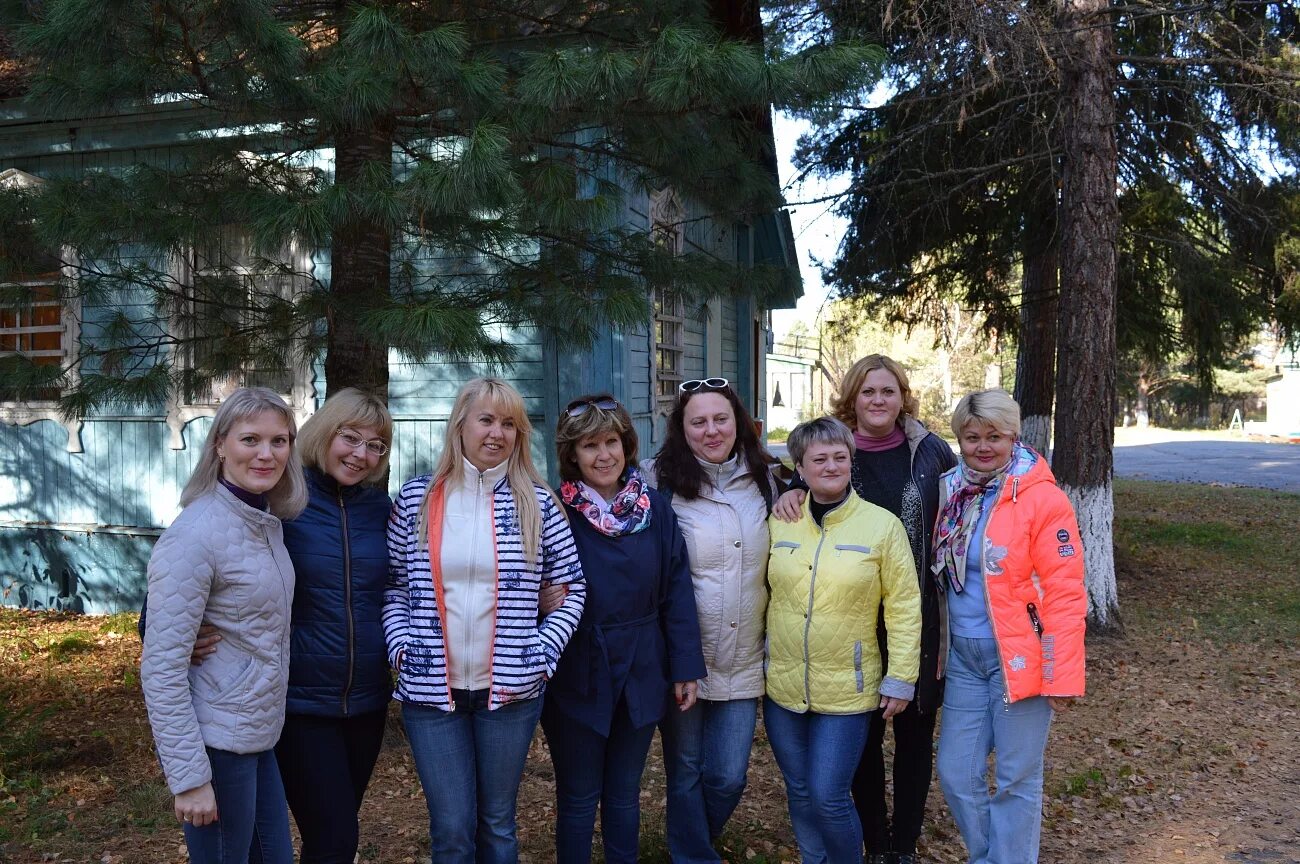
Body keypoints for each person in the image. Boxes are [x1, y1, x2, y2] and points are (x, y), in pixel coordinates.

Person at [383, 377, 586, 864]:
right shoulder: (417, 500)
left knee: (497, 825)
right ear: (461, 425)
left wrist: (540, 653)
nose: (497, 433)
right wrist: (401, 648)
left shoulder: (537, 503)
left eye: (510, 424)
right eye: (487, 420)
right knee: (452, 829)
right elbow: (393, 585)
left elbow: (573, 587)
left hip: (511, 694)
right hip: (433, 694)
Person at [774, 355, 955, 864]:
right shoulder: (831, 448)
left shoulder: (929, 451)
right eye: (868, 391)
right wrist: (786, 497)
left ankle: (903, 845)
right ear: (851, 397)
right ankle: (874, 841)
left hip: (914, 610)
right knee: (861, 741)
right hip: (846, 617)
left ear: (902, 397)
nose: (878, 400)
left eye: (888, 391)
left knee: (916, 734)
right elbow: (806, 492)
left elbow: (958, 512)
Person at [141, 387, 309, 864]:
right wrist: (190, 779)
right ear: (219, 445)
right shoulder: (195, 533)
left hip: (257, 735)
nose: (266, 453)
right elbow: (161, 668)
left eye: (280, 441)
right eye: (250, 439)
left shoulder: (263, 521)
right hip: (216, 744)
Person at [541, 393, 706, 863]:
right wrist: (537, 599)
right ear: (572, 454)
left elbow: (677, 590)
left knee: (623, 793)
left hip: (642, 664)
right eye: (590, 445)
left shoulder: (654, 509)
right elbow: (521, 575)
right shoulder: (555, 510)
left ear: (626, 444)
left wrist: (685, 667)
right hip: (577, 666)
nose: (604, 455)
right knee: (577, 794)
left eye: (611, 441)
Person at [932, 389, 1086, 864]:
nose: (983, 446)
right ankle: (989, 857)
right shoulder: (949, 488)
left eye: (994, 436)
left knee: (1017, 777)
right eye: (972, 436)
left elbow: (1063, 587)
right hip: (963, 656)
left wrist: (1060, 671)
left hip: (1020, 657)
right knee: (957, 774)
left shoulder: (1041, 498)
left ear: (1013, 436)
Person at [765, 416, 921, 864]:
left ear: (852, 461)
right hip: (783, 685)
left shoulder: (882, 527)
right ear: (800, 465)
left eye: (840, 456)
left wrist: (901, 677)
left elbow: (905, 607)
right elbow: (759, 592)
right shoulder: (781, 522)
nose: (831, 465)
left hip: (848, 690)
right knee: (799, 790)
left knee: (829, 795)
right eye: (819, 458)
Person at [643, 377, 781, 863]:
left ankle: (691, 838)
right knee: (685, 768)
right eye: (697, 421)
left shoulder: (768, 478)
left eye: (720, 419)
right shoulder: (655, 481)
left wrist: (799, 488)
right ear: (681, 429)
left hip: (743, 659)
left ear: (738, 422)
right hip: (684, 658)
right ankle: (693, 853)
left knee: (728, 775)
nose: (711, 430)